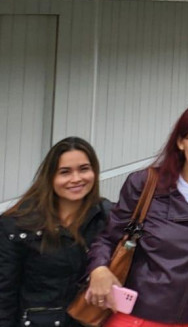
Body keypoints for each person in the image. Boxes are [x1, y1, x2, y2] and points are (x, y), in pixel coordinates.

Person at [83, 102, 188, 326]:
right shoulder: (144, 184)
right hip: (138, 317)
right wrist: (99, 268)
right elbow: (109, 237)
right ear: (180, 142)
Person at [0, 137, 111, 327]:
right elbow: (4, 294)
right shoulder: (17, 224)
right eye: (65, 172)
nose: (76, 179)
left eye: (84, 169)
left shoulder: (109, 218)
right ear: (50, 176)